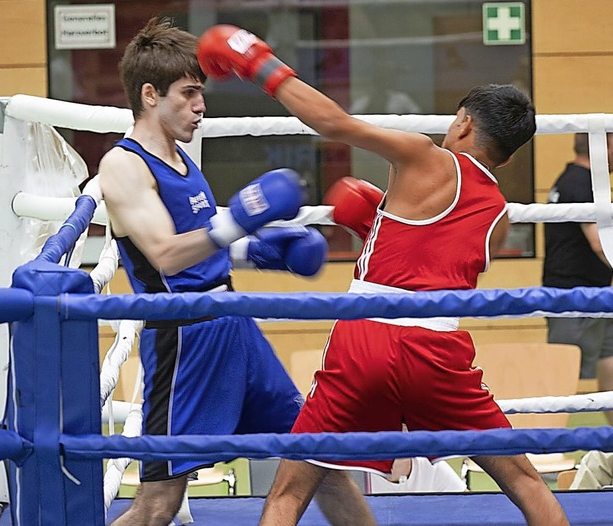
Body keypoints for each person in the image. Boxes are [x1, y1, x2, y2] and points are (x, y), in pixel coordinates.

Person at [197, 25, 569, 526]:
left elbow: (333, 123)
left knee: (289, 493)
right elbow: (441, 270)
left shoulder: (426, 156)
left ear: (462, 122)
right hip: (438, 354)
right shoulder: (499, 216)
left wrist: (257, 63)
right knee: (524, 481)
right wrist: (379, 222)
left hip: (365, 341)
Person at [99, 17, 331, 526]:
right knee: (158, 503)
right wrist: (238, 222)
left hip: (233, 324)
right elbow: (164, 254)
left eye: (201, 92)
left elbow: (204, 243)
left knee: (316, 455)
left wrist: (261, 253)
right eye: (189, 92)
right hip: (184, 342)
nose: (201, 105)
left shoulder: (181, 159)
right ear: (150, 95)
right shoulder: (124, 166)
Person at [543, 133, 613, 426]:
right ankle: (550, 458)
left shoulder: (569, 179)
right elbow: (600, 242)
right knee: (567, 376)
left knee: (608, 360)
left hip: (595, 293)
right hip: (576, 298)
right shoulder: (582, 183)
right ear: (604, 147)